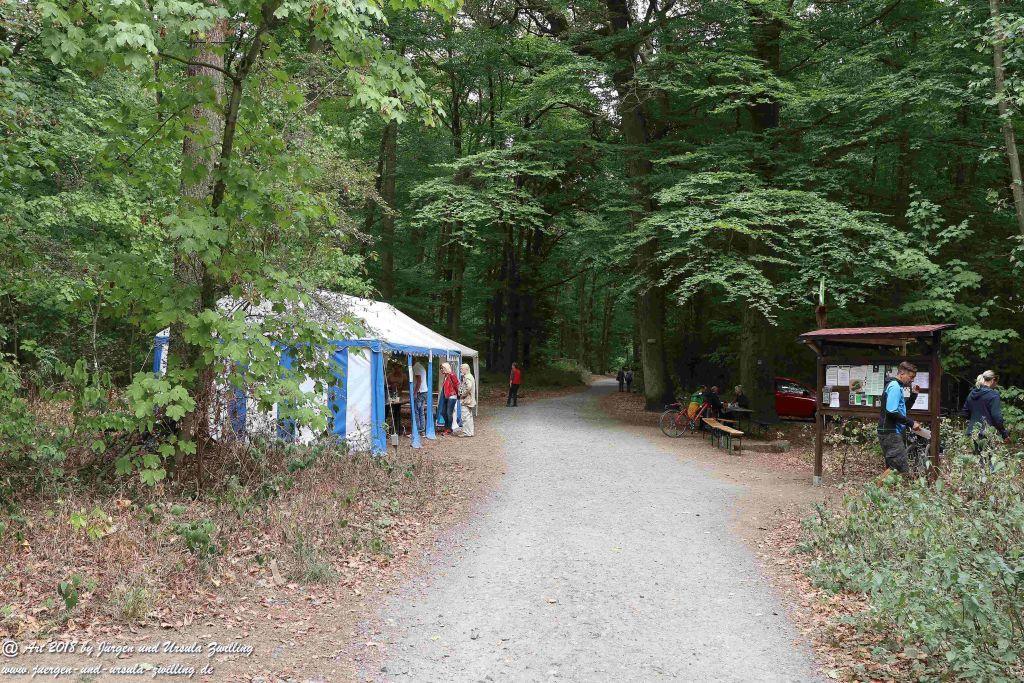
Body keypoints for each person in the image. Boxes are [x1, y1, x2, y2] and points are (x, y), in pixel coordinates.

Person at [876, 361, 922, 475]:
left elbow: (902, 409)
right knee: (898, 468)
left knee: (893, 467)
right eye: (911, 377)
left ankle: (885, 491)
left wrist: (914, 395)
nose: (912, 380)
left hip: (890, 431)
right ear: (902, 373)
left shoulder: (896, 386)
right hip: (891, 432)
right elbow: (891, 412)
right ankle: (874, 489)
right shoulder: (895, 387)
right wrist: (911, 423)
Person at [963, 370, 1009, 461]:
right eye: (996, 381)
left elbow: (965, 412)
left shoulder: (972, 393)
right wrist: (1004, 434)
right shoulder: (993, 395)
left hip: (973, 432)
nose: (996, 384)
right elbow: (997, 417)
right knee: (988, 462)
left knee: (977, 462)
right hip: (987, 433)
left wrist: (974, 419)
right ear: (992, 380)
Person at [455, 363, 476, 437]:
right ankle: (470, 432)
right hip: (469, 400)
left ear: (466, 369)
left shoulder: (467, 377)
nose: (460, 370)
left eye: (462, 369)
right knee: (469, 416)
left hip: (466, 400)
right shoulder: (470, 376)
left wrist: (462, 394)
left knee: (465, 416)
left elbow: (469, 387)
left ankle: (466, 432)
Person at [439, 362, 459, 434]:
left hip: (452, 396)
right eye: (441, 368)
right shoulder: (446, 376)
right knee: (443, 412)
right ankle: (447, 427)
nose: (441, 370)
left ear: (446, 368)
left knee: (448, 413)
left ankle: (448, 428)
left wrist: (458, 395)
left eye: (442, 368)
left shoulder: (452, 375)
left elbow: (457, 385)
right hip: (446, 396)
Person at [412, 360, 428, 436]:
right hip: (424, 391)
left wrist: (415, 392)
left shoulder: (416, 367)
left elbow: (419, 381)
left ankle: (418, 430)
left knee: (416, 412)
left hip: (420, 392)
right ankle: (422, 431)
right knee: (421, 412)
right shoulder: (421, 366)